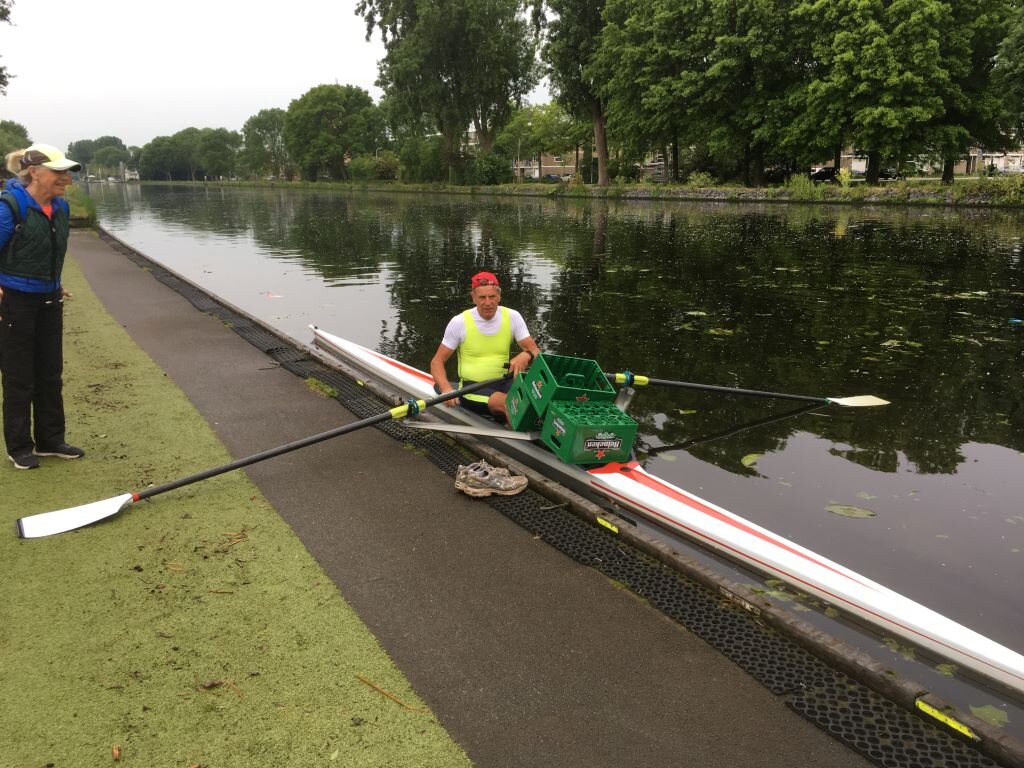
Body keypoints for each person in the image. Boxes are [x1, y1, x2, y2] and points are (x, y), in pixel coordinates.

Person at [0, 143, 85, 469]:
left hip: (49, 297)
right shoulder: (10, 208)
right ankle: (20, 447)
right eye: (59, 171)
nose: (66, 178)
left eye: (67, 172)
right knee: (20, 376)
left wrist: (54, 282)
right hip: (15, 301)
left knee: (50, 373)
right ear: (35, 172)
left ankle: (51, 440)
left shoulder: (60, 208)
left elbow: (47, 250)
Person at [430, 271, 541, 423]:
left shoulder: (512, 316)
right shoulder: (459, 322)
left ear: (499, 297)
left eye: (492, 297)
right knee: (512, 404)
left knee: (538, 401)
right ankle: (521, 442)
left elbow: (536, 351)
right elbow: (437, 362)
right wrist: (446, 389)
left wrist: (527, 354)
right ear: (473, 298)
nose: (487, 302)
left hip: (505, 382)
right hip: (472, 388)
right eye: (482, 297)